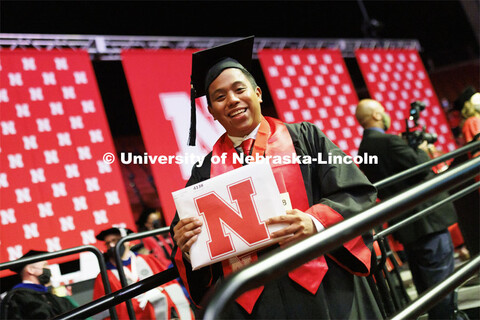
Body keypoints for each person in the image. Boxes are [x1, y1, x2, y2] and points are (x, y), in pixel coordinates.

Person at [170, 36, 380, 319]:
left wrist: (315, 222)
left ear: (257, 93)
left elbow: (356, 192)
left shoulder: (305, 139)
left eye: (239, 89)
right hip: (256, 306)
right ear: (212, 112)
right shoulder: (204, 173)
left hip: (327, 288)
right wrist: (186, 245)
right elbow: (190, 246)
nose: (232, 100)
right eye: (219, 97)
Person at [355, 98, 459, 319]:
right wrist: (421, 149)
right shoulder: (389, 142)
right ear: (375, 115)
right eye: (382, 110)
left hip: (408, 227)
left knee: (427, 288)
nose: (385, 114)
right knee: (442, 286)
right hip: (427, 221)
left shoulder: (364, 149)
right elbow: (421, 168)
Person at [92, 227, 193, 320]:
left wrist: (158, 291)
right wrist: (137, 302)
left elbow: (171, 286)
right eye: (107, 243)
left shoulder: (147, 260)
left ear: (126, 241)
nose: (111, 245)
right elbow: (103, 312)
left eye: (115, 240)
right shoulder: (105, 276)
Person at [0, 250, 76, 319]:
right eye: (45, 265)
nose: (48, 269)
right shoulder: (16, 298)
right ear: (31, 270)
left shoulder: (53, 297)